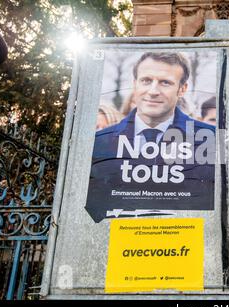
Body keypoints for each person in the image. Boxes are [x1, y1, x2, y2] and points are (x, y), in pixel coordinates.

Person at [86, 52, 216, 222]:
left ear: (182, 89)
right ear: (135, 84)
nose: (153, 91)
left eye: (165, 82)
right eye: (146, 80)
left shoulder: (208, 139)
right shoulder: (99, 142)